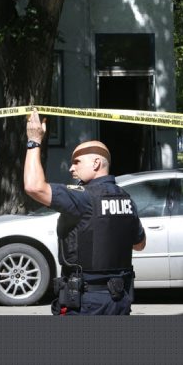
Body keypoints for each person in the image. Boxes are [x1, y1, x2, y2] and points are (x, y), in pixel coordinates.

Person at [24, 109, 146, 315]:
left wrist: (34, 141)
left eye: (76, 162)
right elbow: (139, 244)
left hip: (87, 300)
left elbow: (34, 187)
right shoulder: (125, 198)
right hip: (119, 298)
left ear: (96, 163)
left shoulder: (84, 197)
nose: (71, 169)